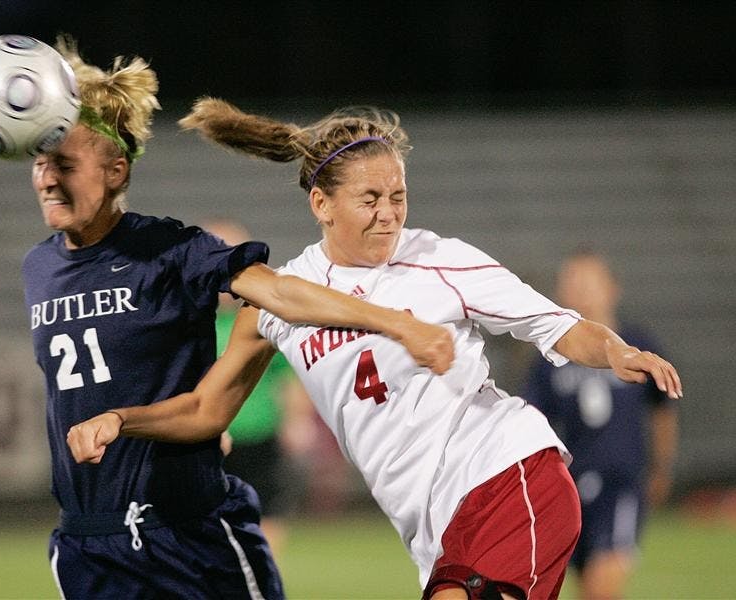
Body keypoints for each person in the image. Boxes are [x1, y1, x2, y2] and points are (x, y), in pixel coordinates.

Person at [66, 98, 683, 600]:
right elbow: (206, 410)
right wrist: (122, 419)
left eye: (398, 197)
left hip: (506, 476)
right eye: (370, 200)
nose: (388, 215)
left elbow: (555, 325)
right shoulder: (284, 300)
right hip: (435, 527)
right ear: (321, 204)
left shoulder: (440, 260)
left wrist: (614, 350)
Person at [23, 39, 454, 600]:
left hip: (189, 533)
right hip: (89, 544)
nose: (46, 178)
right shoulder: (38, 267)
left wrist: (396, 323)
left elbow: (277, 293)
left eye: (64, 164)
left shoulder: (169, 250)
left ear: (115, 170)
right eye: (40, 163)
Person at [523, 251, 678, 600]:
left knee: (602, 589)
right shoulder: (550, 359)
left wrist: (661, 465)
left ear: (612, 288)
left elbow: (663, 408)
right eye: (572, 282)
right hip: (571, 486)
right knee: (584, 588)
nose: (580, 290)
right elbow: (534, 417)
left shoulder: (638, 345)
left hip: (620, 483)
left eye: (588, 281)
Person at [202, 218, 318, 558]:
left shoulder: (262, 316)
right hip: (206, 440)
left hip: (260, 436)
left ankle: (261, 577)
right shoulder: (184, 322)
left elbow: (288, 374)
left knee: (267, 513)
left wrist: (297, 421)